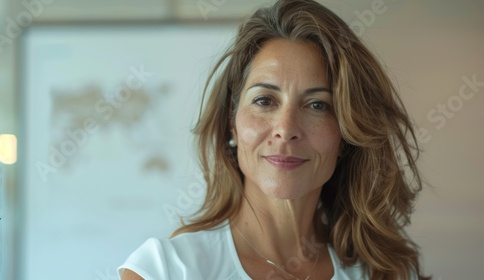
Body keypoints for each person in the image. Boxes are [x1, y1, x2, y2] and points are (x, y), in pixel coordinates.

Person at [118, 0, 430, 279]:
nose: (286, 128)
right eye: (265, 100)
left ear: (346, 135)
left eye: (318, 105)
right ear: (231, 125)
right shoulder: (164, 270)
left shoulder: (385, 272)